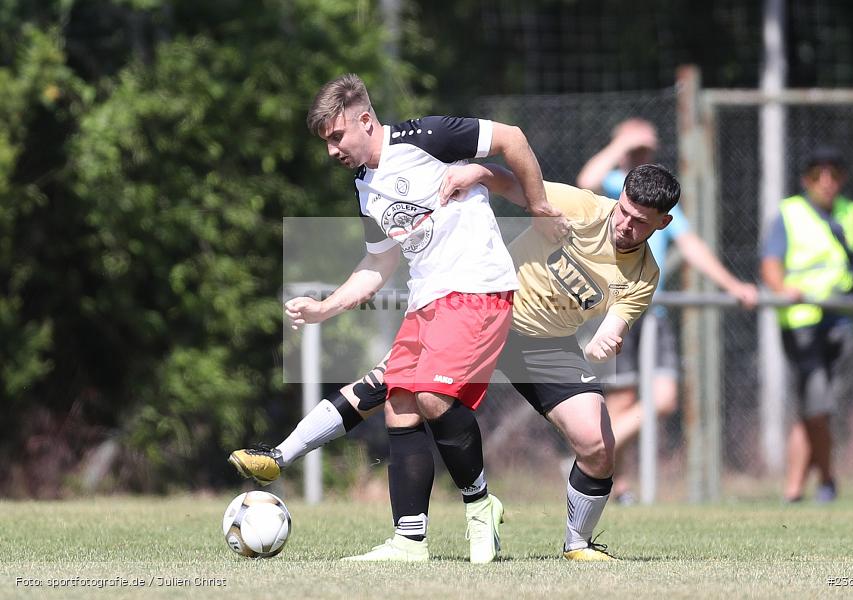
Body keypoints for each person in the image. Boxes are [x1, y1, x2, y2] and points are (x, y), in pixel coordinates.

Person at [233, 162, 682, 561]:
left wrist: (610, 335)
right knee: (388, 388)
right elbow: (515, 182)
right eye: (623, 209)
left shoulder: (645, 273)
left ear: (662, 223)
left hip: (548, 344)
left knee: (597, 446)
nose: (624, 223)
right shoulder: (580, 206)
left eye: (639, 221)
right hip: (491, 314)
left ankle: (578, 545)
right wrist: (479, 173)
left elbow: (618, 320)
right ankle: (280, 454)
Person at [231, 74, 566, 564]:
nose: (331, 151)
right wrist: (326, 308)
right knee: (399, 406)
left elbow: (512, 138)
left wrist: (538, 207)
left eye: (336, 136)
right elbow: (378, 263)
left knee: (432, 397)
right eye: (325, 142)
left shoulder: (428, 137)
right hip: (426, 301)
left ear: (365, 120)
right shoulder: (365, 186)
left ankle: (481, 506)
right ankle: (409, 542)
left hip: (476, 288)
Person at [575, 118, 758, 503]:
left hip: (651, 313)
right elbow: (585, 180)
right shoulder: (614, 188)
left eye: (647, 149)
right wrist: (620, 144)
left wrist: (733, 285)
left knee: (663, 399)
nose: (642, 155)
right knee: (621, 403)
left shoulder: (659, 204)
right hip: (611, 311)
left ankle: (590, 450)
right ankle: (616, 483)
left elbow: (693, 248)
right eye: (635, 149)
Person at [760, 146, 853, 503]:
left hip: (840, 320)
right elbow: (770, 265)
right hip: (802, 323)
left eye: (833, 175)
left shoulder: (850, 212)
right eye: (818, 175)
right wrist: (783, 289)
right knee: (817, 406)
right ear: (805, 180)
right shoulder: (789, 213)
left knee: (818, 408)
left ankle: (797, 490)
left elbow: (848, 265)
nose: (826, 183)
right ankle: (823, 480)